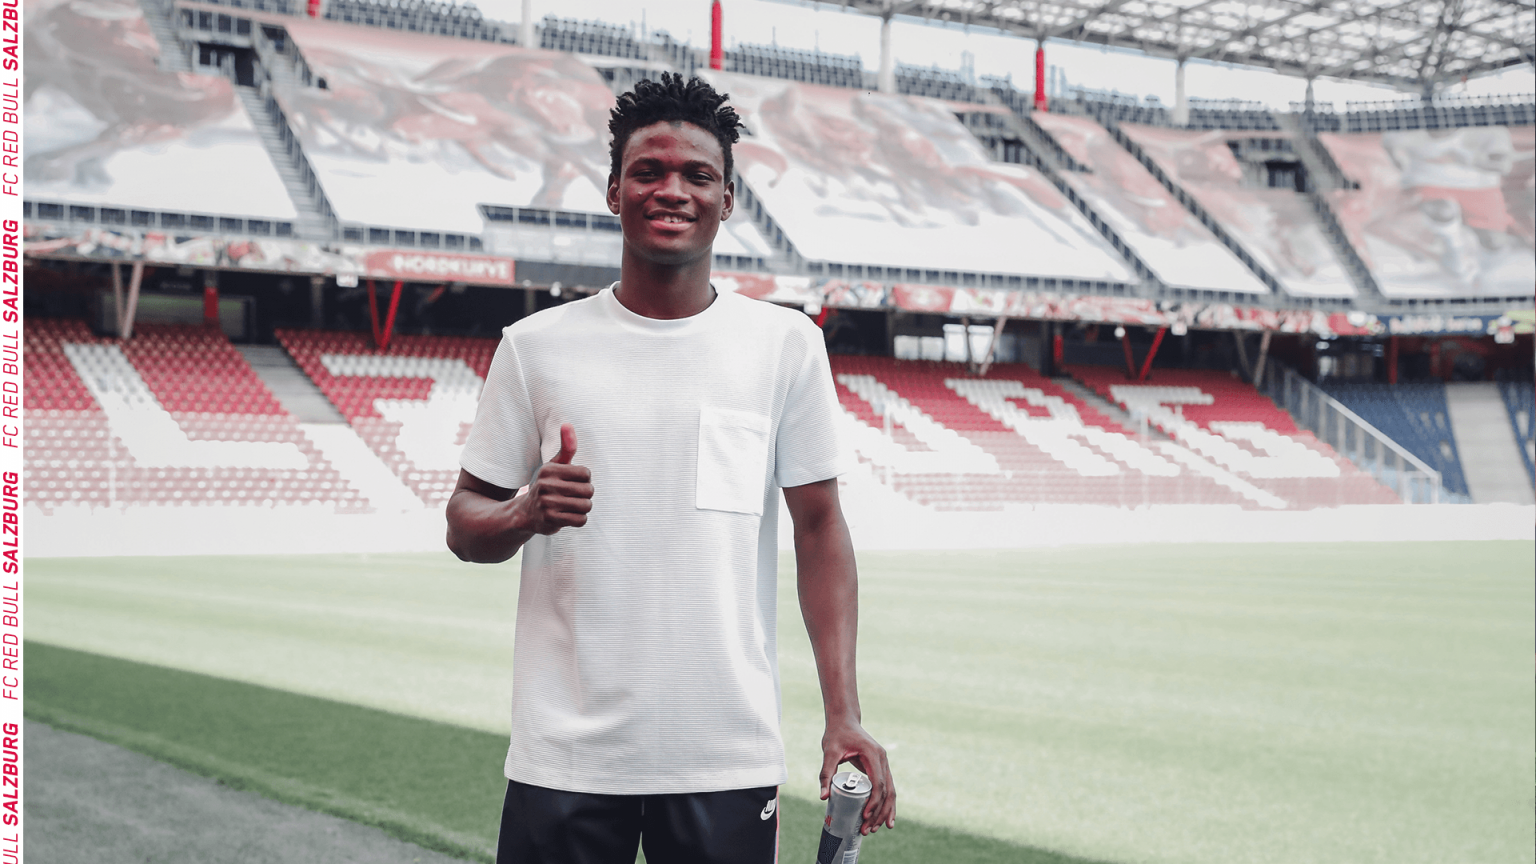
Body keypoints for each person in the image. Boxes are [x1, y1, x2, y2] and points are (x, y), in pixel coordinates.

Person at [446, 73, 895, 864]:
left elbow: (820, 528)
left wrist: (843, 713)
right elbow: (463, 524)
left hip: (725, 757)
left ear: (728, 200)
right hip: (566, 758)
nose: (672, 190)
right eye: (648, 171)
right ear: (613, 191)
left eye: (697, 174)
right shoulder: (536, 346)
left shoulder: (785, 345)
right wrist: (524, 511)